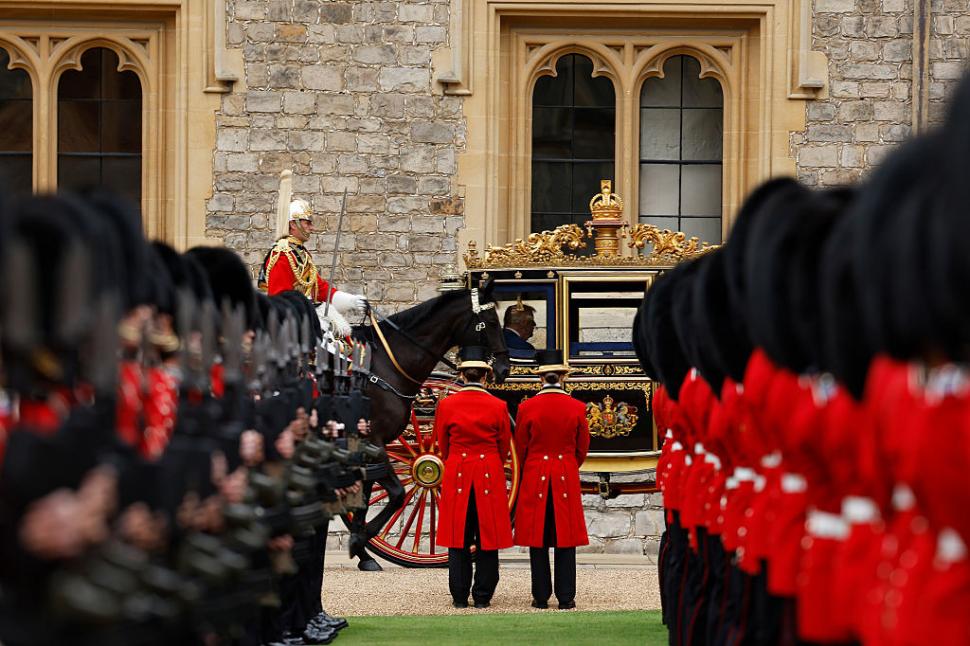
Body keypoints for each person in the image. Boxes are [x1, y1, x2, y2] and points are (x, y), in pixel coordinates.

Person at [432, 346, 514, 608]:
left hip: (458, 470)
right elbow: (503, 446)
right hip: (489, 470)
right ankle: (482, 596)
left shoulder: (446, 405)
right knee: (487, 537)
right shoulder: (498, 405)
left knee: (459, 537)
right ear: (486, 376)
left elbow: (442, 444)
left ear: (462, 376)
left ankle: (459, 596)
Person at [512, 349, 590, 609]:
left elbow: (520, 448)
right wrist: (567, 464)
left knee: (539, 538)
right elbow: (582, 449)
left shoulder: (526, 407)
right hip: (565, 472)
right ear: (563, 377)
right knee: (565, 539)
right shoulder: (577, 407)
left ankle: (541, 596)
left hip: (535, 473)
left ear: (541, 379)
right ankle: (566, 597)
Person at [258, 195, 367, 336]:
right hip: (292, 326)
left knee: (345, 340)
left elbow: (319, 289)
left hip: (307, 315)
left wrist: (351, 301)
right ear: (293, 224)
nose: (312, 228)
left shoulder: (300, 253)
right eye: (307, 223)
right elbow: (280, 299)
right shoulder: (282, 255)